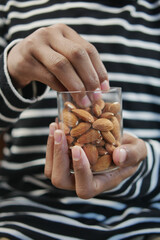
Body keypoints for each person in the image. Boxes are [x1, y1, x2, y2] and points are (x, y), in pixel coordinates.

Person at [0, 0, 159, 239]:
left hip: (144, 217)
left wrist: (139, 163)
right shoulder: (9, 6)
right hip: (24, 215)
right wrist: (11, 71)